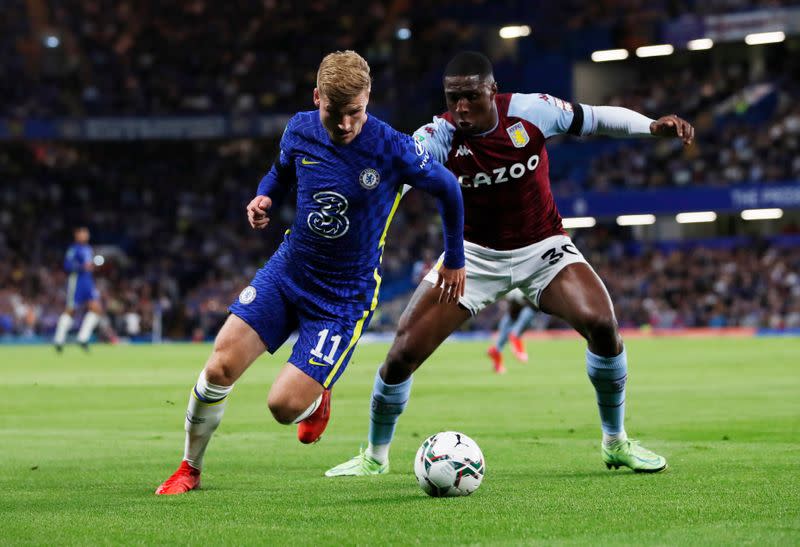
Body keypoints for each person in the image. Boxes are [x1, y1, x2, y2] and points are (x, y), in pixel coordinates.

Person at [326, 51, 694, 477]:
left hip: (543, 249)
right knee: (401, 355)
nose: (460, 107)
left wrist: (650, 127)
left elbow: (595, 118)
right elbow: (402, 173)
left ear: (492, 92)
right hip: (472, 259)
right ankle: (375, 456)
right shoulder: (440, 135)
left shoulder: (532, 111)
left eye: (470, 97)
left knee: (603, 324)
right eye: (452, 98)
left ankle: (615, 442)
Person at [155, 50, 466, 495]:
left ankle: (319, 393)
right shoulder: (299, 128)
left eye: (355, 113)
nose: (344, 125)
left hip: (341, 298)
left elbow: (449, 187)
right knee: (218, 368)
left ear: (368, 99)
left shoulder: (391, 146)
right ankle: (190, 468)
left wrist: (455, 257)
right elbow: (280, 172)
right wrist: (264, 196)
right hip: (288, 271)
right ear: (317, 97)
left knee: (282, 407)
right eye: (333, 113)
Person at [53, 227, 104, 352]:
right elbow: (67, 265)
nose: (85, 235)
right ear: (76, 235)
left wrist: (92, 266)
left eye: (86, 233)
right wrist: (82, 266)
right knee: (71, 310)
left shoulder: (88, 249)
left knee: (97, 309)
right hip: (76, 281)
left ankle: (82, 338)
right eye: (82, 233)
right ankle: (58, 340)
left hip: (88, 281)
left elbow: (89, 265)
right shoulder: (73, 249)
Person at [487, 288, 536, 374]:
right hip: (511, 319)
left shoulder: (522, 301)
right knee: (500, 345)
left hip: (512, 319)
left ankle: (497, 361)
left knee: (500, 344)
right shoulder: (521, 298)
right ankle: (515, 337)